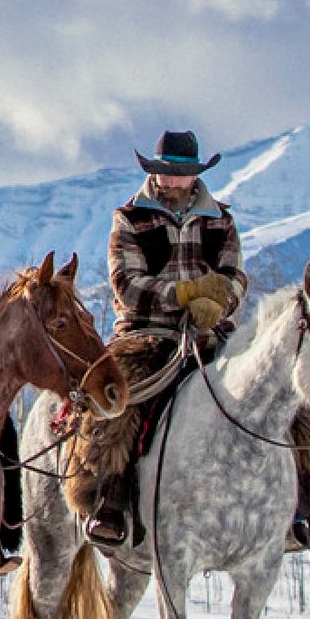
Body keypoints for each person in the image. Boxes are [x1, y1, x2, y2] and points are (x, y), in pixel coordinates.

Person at [65, 130, 264, 546]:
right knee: (120, 397)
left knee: (273, 385)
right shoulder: (130, 218)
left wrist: (220, 301)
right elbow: (127, 283)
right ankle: (110, 498)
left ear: (195, 175)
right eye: (165, 174)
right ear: (153, 172)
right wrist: (184, 295)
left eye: (181, 175)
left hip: (211, 333)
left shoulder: (220, 219)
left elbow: (236, 275)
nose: (172, 182)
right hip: (146, 332)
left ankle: (291, 503)